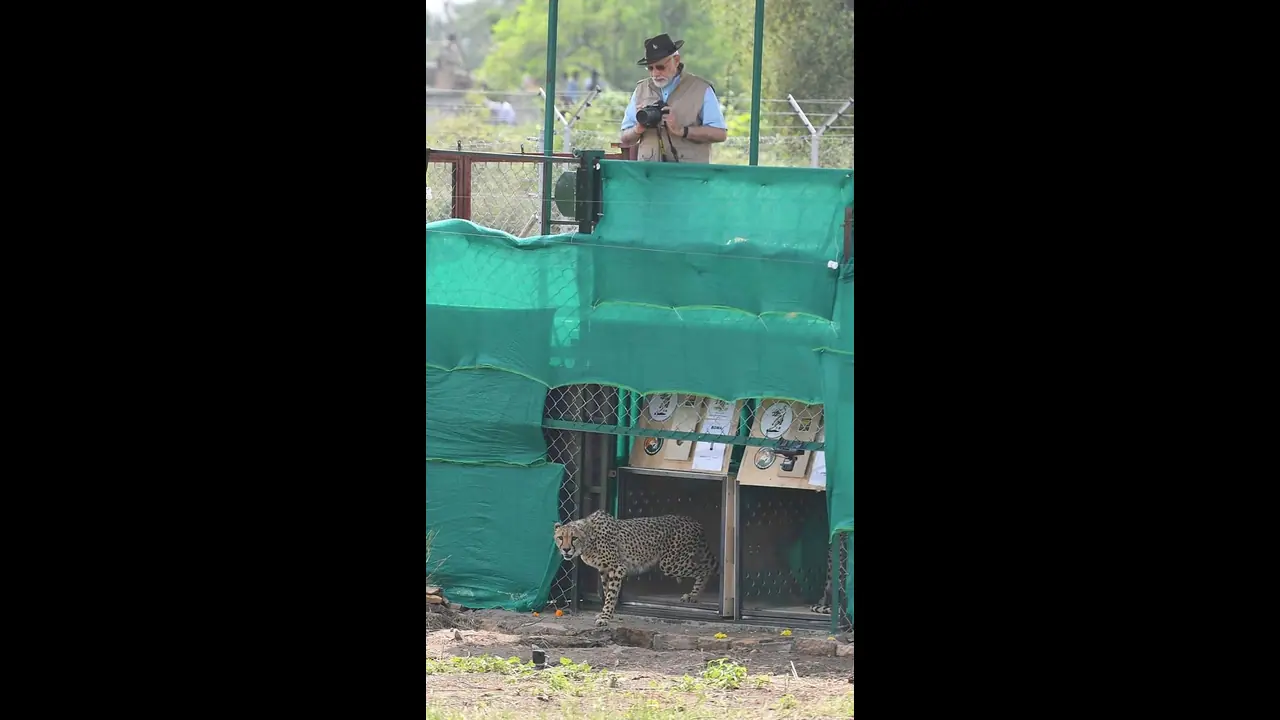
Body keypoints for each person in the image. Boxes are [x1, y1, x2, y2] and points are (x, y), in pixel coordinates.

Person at [620, 34, 727, 163]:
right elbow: (625, 137)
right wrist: (637, 129)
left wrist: (683, 131)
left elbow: (720, 134)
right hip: (649, 172)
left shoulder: (701, 89)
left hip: (688, 171)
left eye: (660, 67)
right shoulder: (641, 89)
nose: (655, 73)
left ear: (676, 60)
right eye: (650, 68)